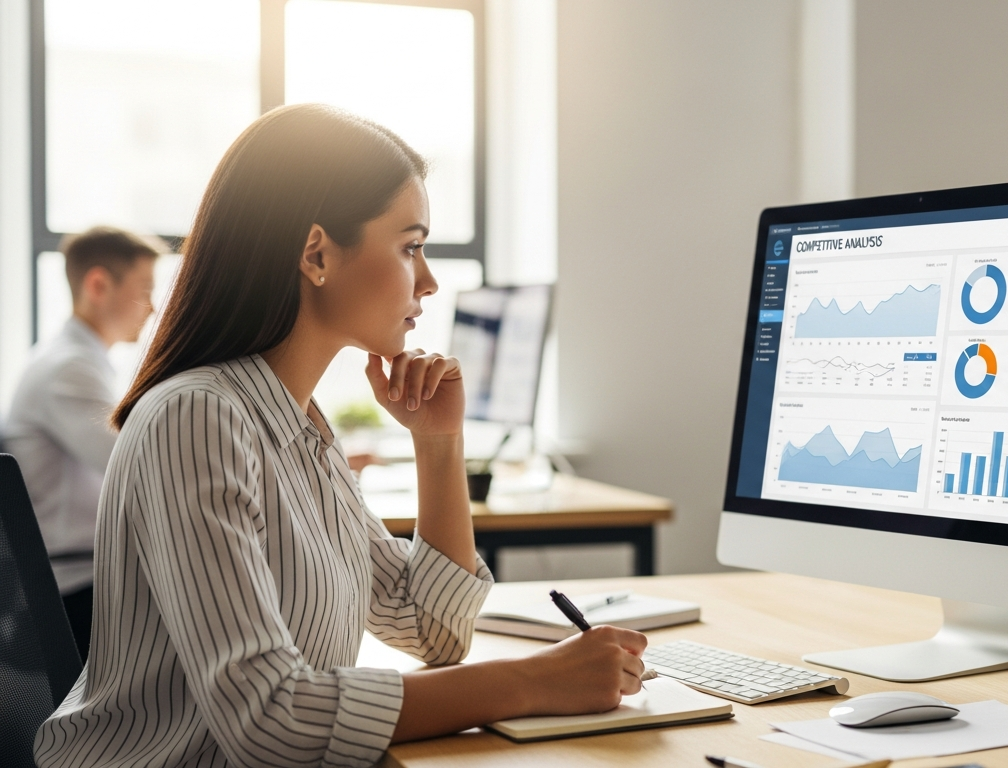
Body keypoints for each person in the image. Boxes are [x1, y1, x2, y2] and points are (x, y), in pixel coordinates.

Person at [34, 104, 647, 768]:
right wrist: (531, 683)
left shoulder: (298, 427)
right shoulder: (196, 417)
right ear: (317, 254)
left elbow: (433, 630)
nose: (431, 280)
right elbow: (271, 718)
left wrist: (438, 443)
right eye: (411, 246)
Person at [5, 226, 159, 662]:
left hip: (83, 579)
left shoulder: (83, 361)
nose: (152, 307)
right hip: (70, 596)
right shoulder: (68, 368)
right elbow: (140, 464)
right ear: (98, 285)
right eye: (145, 290)